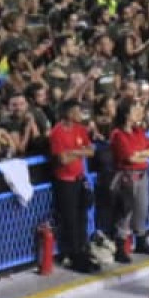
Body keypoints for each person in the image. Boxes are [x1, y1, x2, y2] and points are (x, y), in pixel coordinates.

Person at [46, 100, 100, 273]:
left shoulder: (80, 129)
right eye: (77, 111)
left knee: (82, 217)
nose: (80, 114)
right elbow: (62, 160)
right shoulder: (57, 133)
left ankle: (83, 251)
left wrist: (74, 152)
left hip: (79, 179)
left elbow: (91, 151)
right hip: (65, 182)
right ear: (68, 113)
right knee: (70, 220)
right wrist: (79, 152)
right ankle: (74, 255)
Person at [107, 99, 149, 261]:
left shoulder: (138, 131)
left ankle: (141, 241)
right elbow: (130, 158)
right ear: (126, 114)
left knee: (141, 209)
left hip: (142, 175)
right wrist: (141, 155)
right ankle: (120, 247)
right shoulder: (117, 134)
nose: (139, 113)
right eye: (135, 110)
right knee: (125, 212)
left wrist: (140, 155)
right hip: (127, 178)